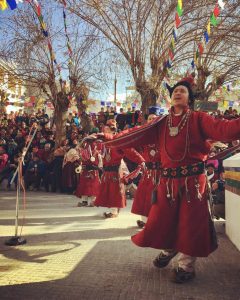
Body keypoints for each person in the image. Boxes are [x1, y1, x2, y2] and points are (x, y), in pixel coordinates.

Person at [103, 76, 240, 283]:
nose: (177, 92)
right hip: (167, 182)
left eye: (183, 91)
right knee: (161, 220)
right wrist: (108, 139)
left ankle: (186, 266)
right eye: (175, 90)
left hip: (193, 182)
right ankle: (170, 248)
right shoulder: (160, 123)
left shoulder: (199, 119)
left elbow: (225, 130)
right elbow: (136, 134)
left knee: (190, 223)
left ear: (189, 99)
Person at [94, 120, 145, 218]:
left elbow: (130, 151)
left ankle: (114, 211)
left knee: (115, 191)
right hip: (106, 170)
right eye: (105, 128)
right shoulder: (103, 142)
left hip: (115, 169)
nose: (105, 130)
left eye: (107, 128)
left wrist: (141, 160)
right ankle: (114, 209)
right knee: (108, 190)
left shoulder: (118, 140)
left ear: (112, 130)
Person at [131, 109, 161, 228]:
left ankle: (157, 221)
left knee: (159, 197)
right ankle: (145, 220)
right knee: (144, 195)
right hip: (148, 172)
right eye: (149, 119)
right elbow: (130, 146)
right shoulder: (143, 135)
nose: (152, 120)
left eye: (154, 118)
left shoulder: (163, 134)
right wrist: (141, 159)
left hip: (161, 172)